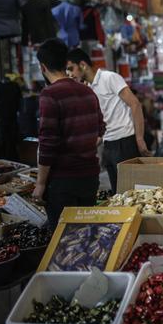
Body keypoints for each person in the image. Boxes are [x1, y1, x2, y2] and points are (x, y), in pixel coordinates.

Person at [32, 39, 105, 228]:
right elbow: (100, 128)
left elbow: (48, 144)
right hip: (90, 178)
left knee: (65, 241)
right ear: (66, 63)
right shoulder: (87, 92)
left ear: (43, 67)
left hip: (62, 181)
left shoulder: (50, 95)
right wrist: (84, 147)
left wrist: (40, 185)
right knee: (86, 236)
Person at [66, 48, 150, 195]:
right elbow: (104, 121)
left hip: (125, 142)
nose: (70, 74)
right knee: (118, 195)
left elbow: (135, 104)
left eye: (71, 69)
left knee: (131, 194)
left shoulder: (109, 78)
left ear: (83, 65)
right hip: (108, 145)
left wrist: (139, 138)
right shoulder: (89, 88)